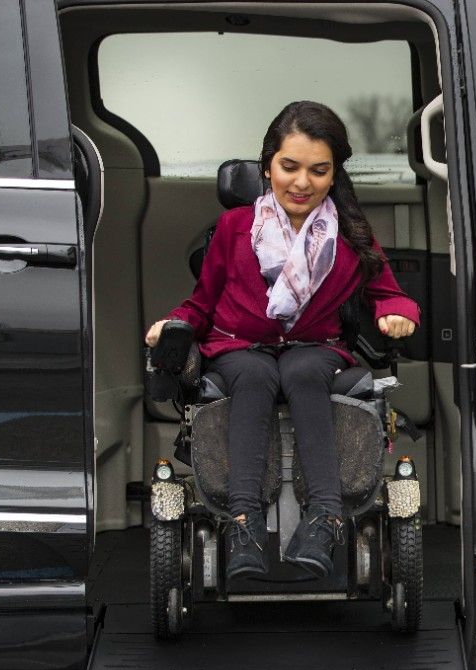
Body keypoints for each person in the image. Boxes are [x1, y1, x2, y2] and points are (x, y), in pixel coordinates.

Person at [144, 101, 419, 580]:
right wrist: (169, 324)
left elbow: (391, 295)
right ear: (267, 165)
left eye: (318, 171)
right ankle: (244, 522)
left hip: (316, 348)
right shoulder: (233, 229)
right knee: (254, 374)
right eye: (289, 167)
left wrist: (396, 315)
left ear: (334, 175)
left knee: (301, 370)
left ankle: (325, 517)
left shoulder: (350, 235)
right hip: (238, 347)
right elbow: (201, 304)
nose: (301, 183)